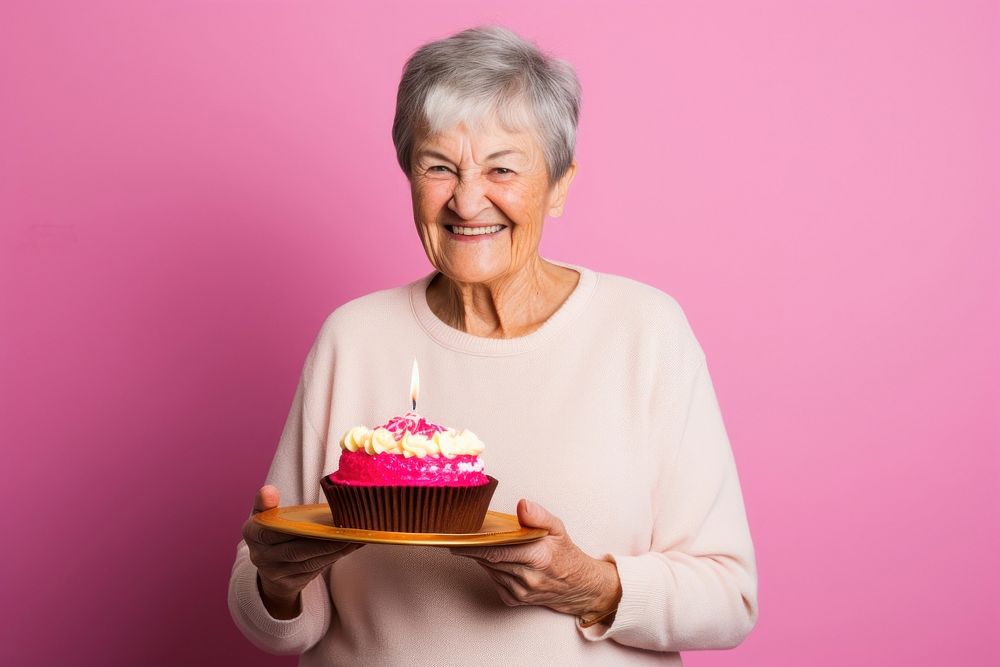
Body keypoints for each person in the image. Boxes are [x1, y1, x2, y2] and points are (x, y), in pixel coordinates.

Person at [228, 25, 758, 665]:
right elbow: (279, 618)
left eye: (502, 168)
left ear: (559, 184)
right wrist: (278, 582)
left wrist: (592, 587)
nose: (467, 199)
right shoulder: (353, 337)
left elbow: (730, 597)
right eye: (438, 167)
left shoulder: (645, 333)